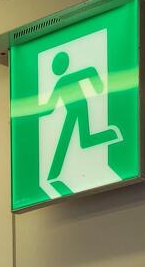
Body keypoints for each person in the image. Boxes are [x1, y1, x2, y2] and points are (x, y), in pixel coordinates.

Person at [44, 50, 120, 196]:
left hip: (78, 108)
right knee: (85, 140)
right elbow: (50, 107)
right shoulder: (61, 82)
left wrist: (98, 86)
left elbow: (89, 71)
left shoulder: (63, 81)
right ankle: (110, 135)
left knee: (76, 139)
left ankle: (53, 172)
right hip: (74, 111)